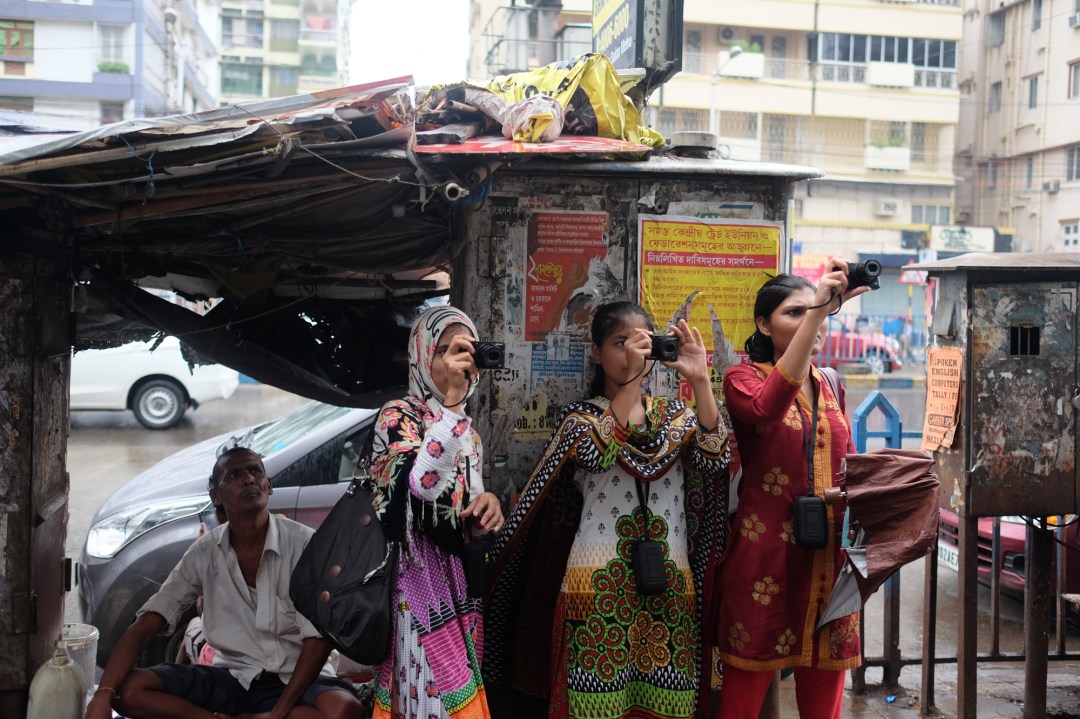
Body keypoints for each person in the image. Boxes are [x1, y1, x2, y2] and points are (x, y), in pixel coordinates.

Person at [485, 301, 730, 719]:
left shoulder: (675, 416)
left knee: (667, 701)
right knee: (592, 703)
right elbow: (599, 452)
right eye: (620, 343)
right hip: (595, 584)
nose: (632, 354)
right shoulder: (580, 418)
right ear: (596, 351)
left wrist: (702, 382)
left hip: (669, 583)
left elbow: (714, 459)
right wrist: (634, 380)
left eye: (641, 345)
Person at [85, 447, 363, 719]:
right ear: (215, 495)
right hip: (232, 678)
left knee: (343, 709)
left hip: (299, 680)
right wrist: (102, 695)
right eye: (234, 475)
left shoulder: (306, 545)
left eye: (255, 471)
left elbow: (319, 639)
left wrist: (277, 715)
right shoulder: (204, 553)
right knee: (126, 690)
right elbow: (147, 624)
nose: (249, 479)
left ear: (269, 486)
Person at [716, 264, 869, 719]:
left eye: (816, 312)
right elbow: (768, 407)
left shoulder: (831, 383)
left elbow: (851, 467)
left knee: (825, 705)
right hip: (766, 561)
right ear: (764, 324)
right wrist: (819, 312)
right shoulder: (742, 379)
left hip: (830, 562)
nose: (811, 321)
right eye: (795, 313)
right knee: (742, 702)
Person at [370, 305, 503, 719]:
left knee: (456, 696)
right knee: (430, 703)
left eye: (464, 350)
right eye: (444, 350)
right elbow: (421, 488)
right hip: (415, 583)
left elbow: (465, 507)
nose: (456, 362)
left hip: (459, 583)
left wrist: (488, 506)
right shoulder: (398, 416)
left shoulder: (468, 432)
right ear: (423, 355)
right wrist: (451, 409)